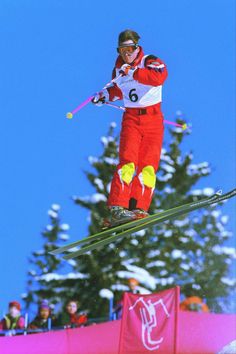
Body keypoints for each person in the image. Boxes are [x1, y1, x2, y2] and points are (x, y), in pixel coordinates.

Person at [92, 29, 168, 226]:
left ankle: (138, 208)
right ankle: (118, 208)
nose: (126, 53)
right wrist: (105, 96)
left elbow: (158, 77)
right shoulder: (119, 69)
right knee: (128, 162)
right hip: (132, 119)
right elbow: (118, 89)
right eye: (122, 49)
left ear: (137, 47)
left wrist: (133, 72)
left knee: (149, 166)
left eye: (130, 48)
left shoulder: (149, 61)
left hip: (153, 119)